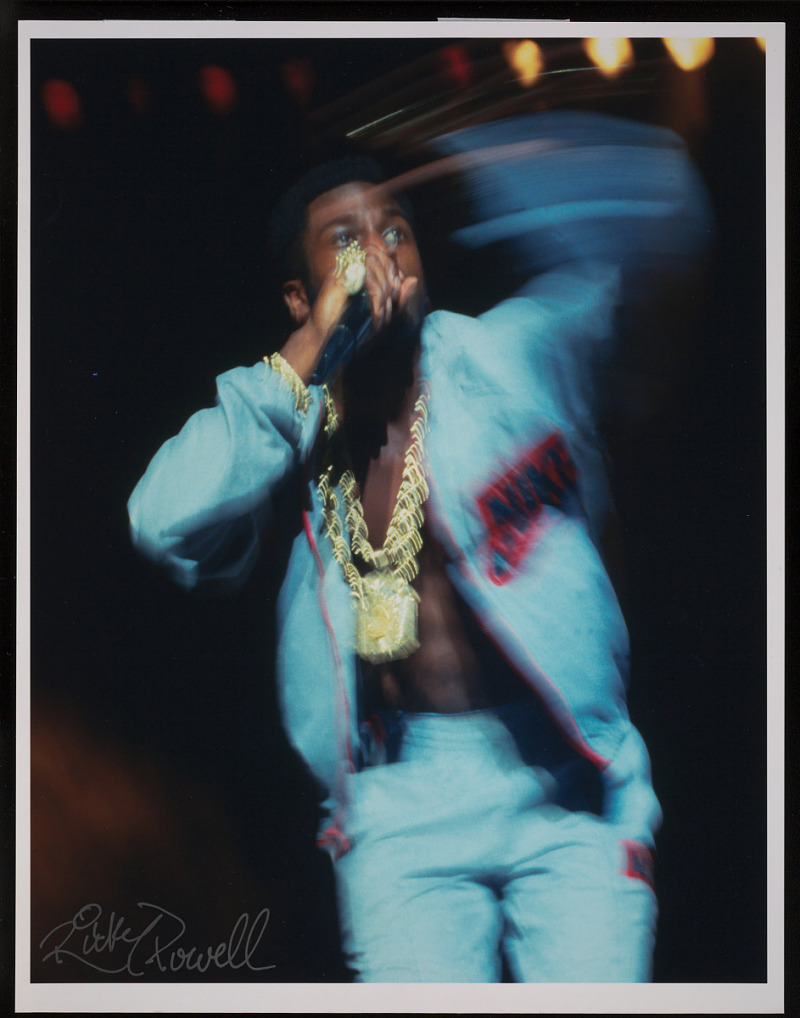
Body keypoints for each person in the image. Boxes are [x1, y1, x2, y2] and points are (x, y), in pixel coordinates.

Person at [128, 111, 710, 982]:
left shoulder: (513, 357)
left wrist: (497, 156)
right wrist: (307, 356)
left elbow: (656, 228)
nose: (380, 251)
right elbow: (159, 517)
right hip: (402, 805)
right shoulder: (293, 429)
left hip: (564, 783)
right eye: (346, 240)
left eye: (394, 230)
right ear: (301, 295)